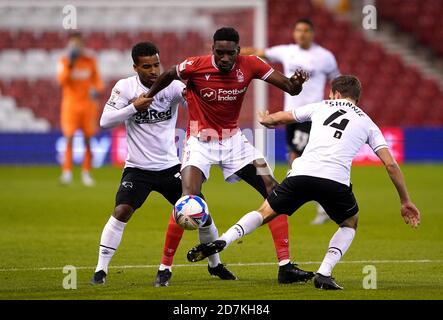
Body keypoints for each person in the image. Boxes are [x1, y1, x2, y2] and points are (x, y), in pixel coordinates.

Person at [187, 75, 421, 290]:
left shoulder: (322, 106)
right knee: (349, 223)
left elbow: (282, 117)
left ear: (335, 94)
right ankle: (324, 273)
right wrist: (405, 200)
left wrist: (267, 119)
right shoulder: (368, 123)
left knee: (265, 211)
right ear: (356, 98)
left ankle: (223, 240)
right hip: (335, 181)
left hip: (301, 174)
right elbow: (390, 165)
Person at [145, 27, 315, 284]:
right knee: (187, 201)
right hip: (199, 142)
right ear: (212, 49)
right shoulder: (195, 65)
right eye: (220, 52)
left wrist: (297, 83)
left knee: (274, 190)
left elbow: (291, 89)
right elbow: (169, 73)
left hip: (235, 141)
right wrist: (148, 96)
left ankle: (285, 266)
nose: (225, 58)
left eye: (230, 53)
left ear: (238, 50)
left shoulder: (251, 64)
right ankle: (164, 268)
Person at [90, 42, 235, 286]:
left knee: (202, 214)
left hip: (170, 168)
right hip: (137, 169)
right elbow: (105, 121)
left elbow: (195, 105)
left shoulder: (173, 88)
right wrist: (132, 107)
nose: (154, 70)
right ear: (135, 67)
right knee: (121, 211)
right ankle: (100, 270)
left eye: (156, 64)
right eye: (147, 66)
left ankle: (215, 264)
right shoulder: (125, 87)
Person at [242, 18, 340, 225]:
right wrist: (234, 52)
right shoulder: (287, 51)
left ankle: (304, 194)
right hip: (291, 115)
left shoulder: (325, 57)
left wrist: (336, 102)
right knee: (297, 156)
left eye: (305, 30)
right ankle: (321, 201)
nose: (301, 34)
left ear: (312, 33)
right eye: (298, 30)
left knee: (298, 155)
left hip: (313, 114)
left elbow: (336, 80)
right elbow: (259, 52)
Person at [57, 32, 104, 186]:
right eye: (73, 44)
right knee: (69, 138)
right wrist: (70, 63)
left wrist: (97, 89)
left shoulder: (90, 60)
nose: (76, 47)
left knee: (88, 140)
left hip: (88, 106)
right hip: (70, 106)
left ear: (82, 45)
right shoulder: (64, 60)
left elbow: (98, 81)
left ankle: (86, 172)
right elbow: (62, 80)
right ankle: (67, 172)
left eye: (78, 44)